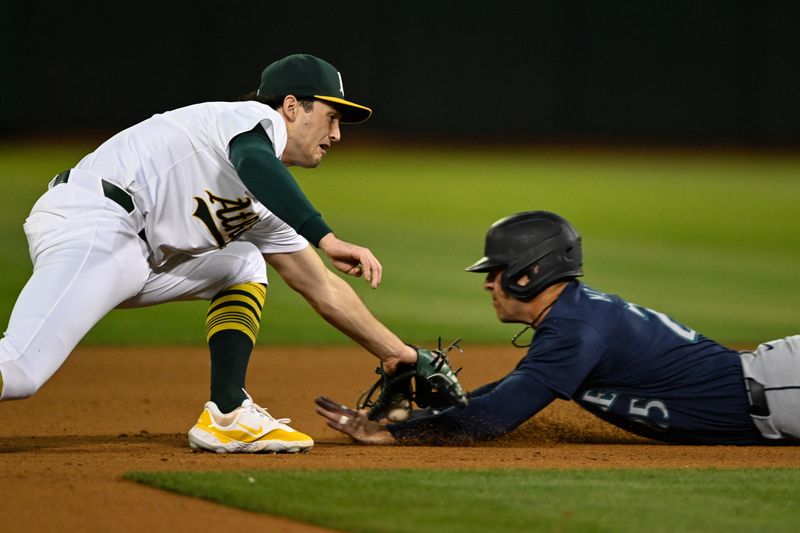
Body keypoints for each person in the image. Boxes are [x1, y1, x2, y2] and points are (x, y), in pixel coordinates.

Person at [0, 54, 456, 454]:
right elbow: (256, 160)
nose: (337, 134)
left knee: (241, 263)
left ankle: (227, 413)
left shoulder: (263, 203)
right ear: (292, 107)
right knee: (19, 371)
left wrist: (399, 355)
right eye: (332, 117)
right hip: (95, 223)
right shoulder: (246, 120)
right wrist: (325, 236)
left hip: (130, 253)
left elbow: (321, 287)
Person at [316, 210, 800, 446]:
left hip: (784, 388)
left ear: (531, 272)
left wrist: (397, 436)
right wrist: (408, 422)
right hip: (776, 390)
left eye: (496, 271)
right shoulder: (571, 321)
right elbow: (502, 394)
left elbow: (496, 416)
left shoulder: (576, 329)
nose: (488, 284)